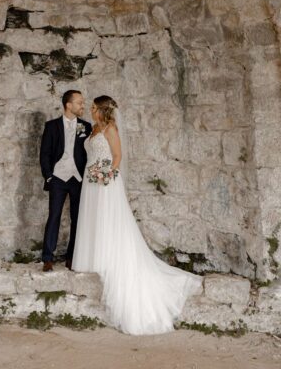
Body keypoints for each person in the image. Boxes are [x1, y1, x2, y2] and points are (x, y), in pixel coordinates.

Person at [71, 95, 204, 335]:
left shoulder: (110, 129)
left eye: (93, 107)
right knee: (93, 222)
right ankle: (94, 260)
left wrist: (106, 174)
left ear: (102, 110)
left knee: (109, 223)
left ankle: (109, 260)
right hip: (90, 183)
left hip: (105, 183)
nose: (90, 110)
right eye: (89, 107)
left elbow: (118, 157)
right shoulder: (93, 129)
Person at [39, 90, 92, 272]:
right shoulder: (51, 126)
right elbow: (44, 154)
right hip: (58, 179)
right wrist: (49, 175)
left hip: (78, 179)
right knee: (54, 216)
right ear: (68, 105)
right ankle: (47, 258)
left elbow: (89, 153)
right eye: (79, 102)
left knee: (77, 218)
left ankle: (72, 257)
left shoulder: (86, 126)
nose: (82, 106)